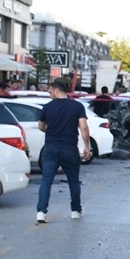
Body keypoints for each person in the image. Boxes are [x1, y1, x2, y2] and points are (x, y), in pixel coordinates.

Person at [35, 78, 91, 223]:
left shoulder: (47, 107)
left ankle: (41, 212)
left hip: (50, 148)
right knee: (73, 181)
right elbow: (84, 127)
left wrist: (50, 131)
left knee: (46, 181)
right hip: (69, 148)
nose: (50, 95)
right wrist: (87, 146)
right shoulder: (77, 106)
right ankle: (75, 211)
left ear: (56, 90)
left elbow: (40, 126)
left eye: (50, 92)